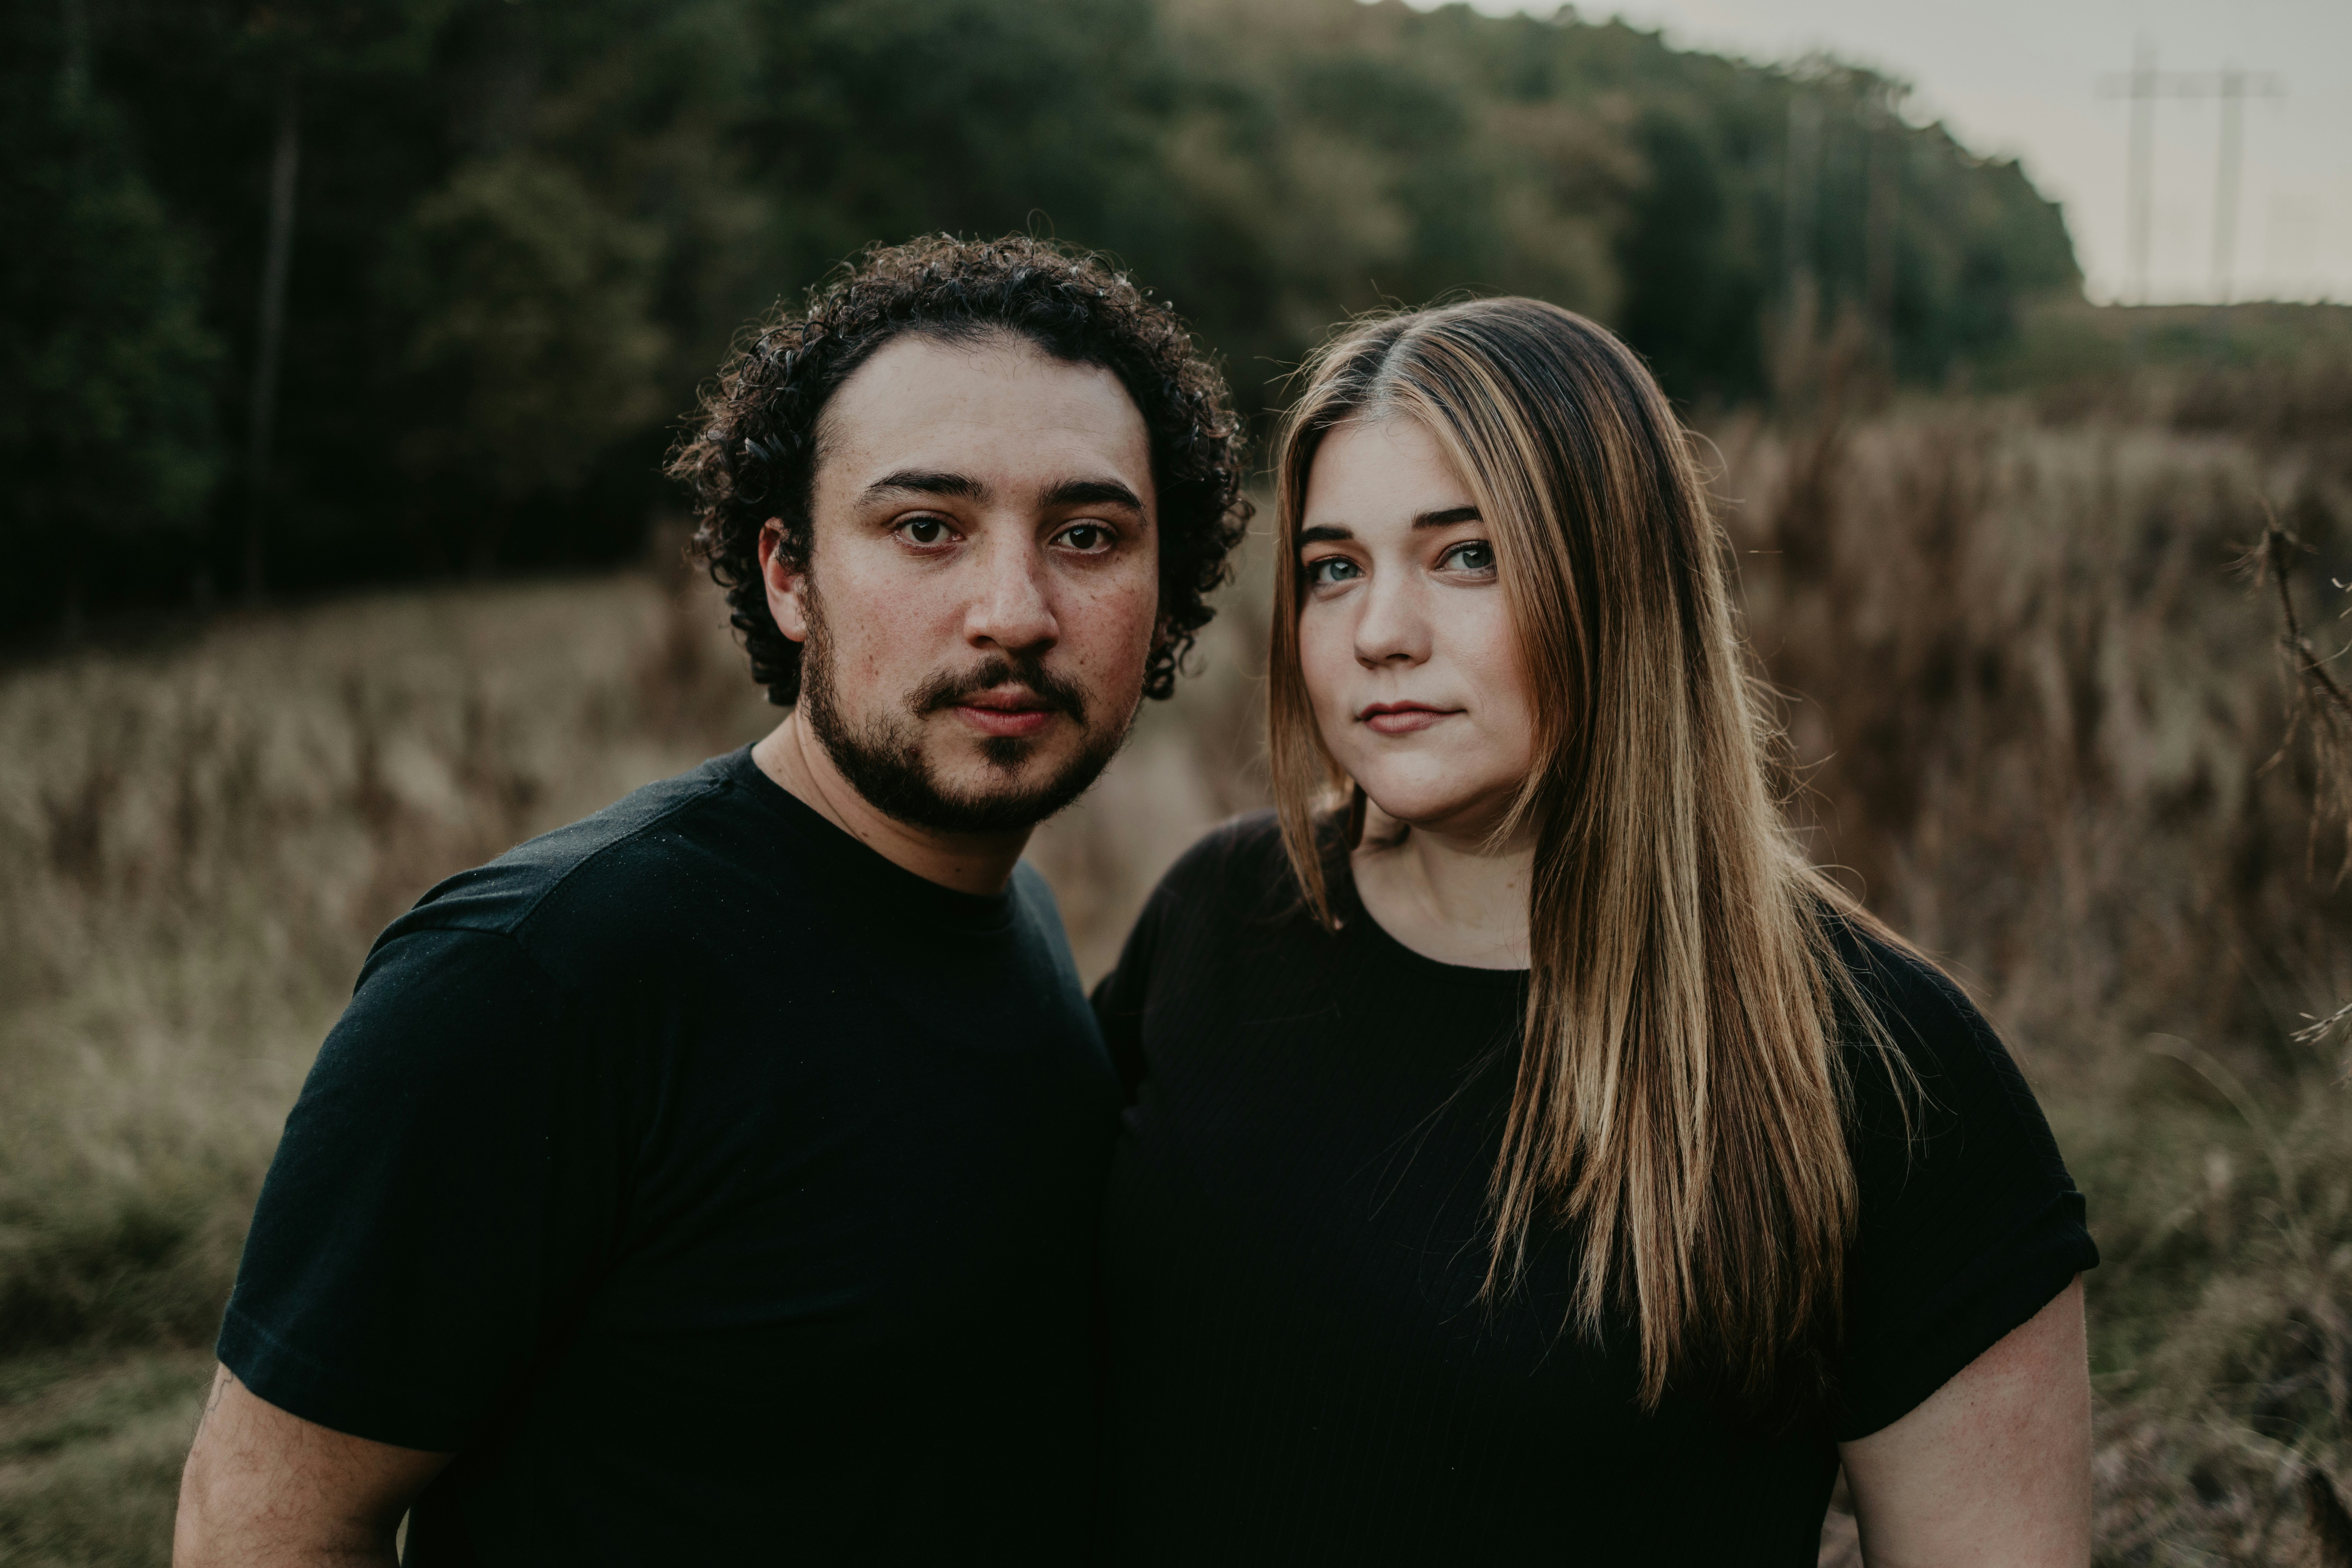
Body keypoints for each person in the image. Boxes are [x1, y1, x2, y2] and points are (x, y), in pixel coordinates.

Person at [172, 234, 1248, 1566]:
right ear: (789, 574)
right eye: (927, 529)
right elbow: (263, 1529)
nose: (1013, 610)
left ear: (1165, 586)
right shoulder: (544, 971)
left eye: (1088, 537)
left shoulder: (1008, 919)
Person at [1093, 298, 2098, 1565]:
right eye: (1333, 567)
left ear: (1622, 583)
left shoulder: (1881, 1069)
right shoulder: (1220, 919)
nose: (1378, 632)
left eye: (1467, 557)